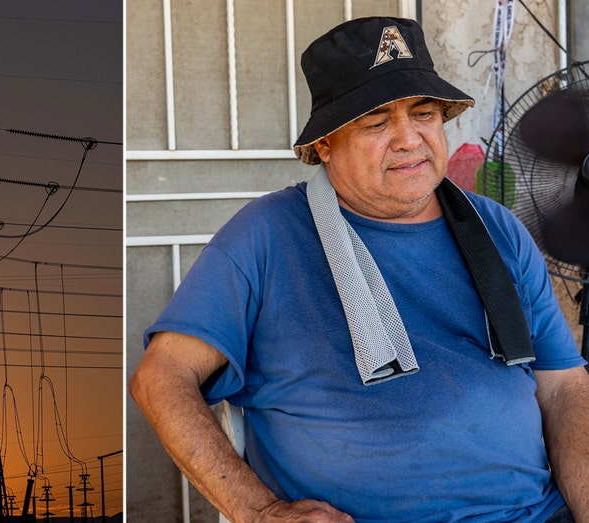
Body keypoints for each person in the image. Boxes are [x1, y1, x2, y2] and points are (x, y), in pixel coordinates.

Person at [129, 16, 589, 523]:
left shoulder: (495, 228)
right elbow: (162, 375)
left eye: (424, 113)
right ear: (324, 144)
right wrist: (260, 511)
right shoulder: (267, 235)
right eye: (376, 122)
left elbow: (563, 384)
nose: (409, 139)